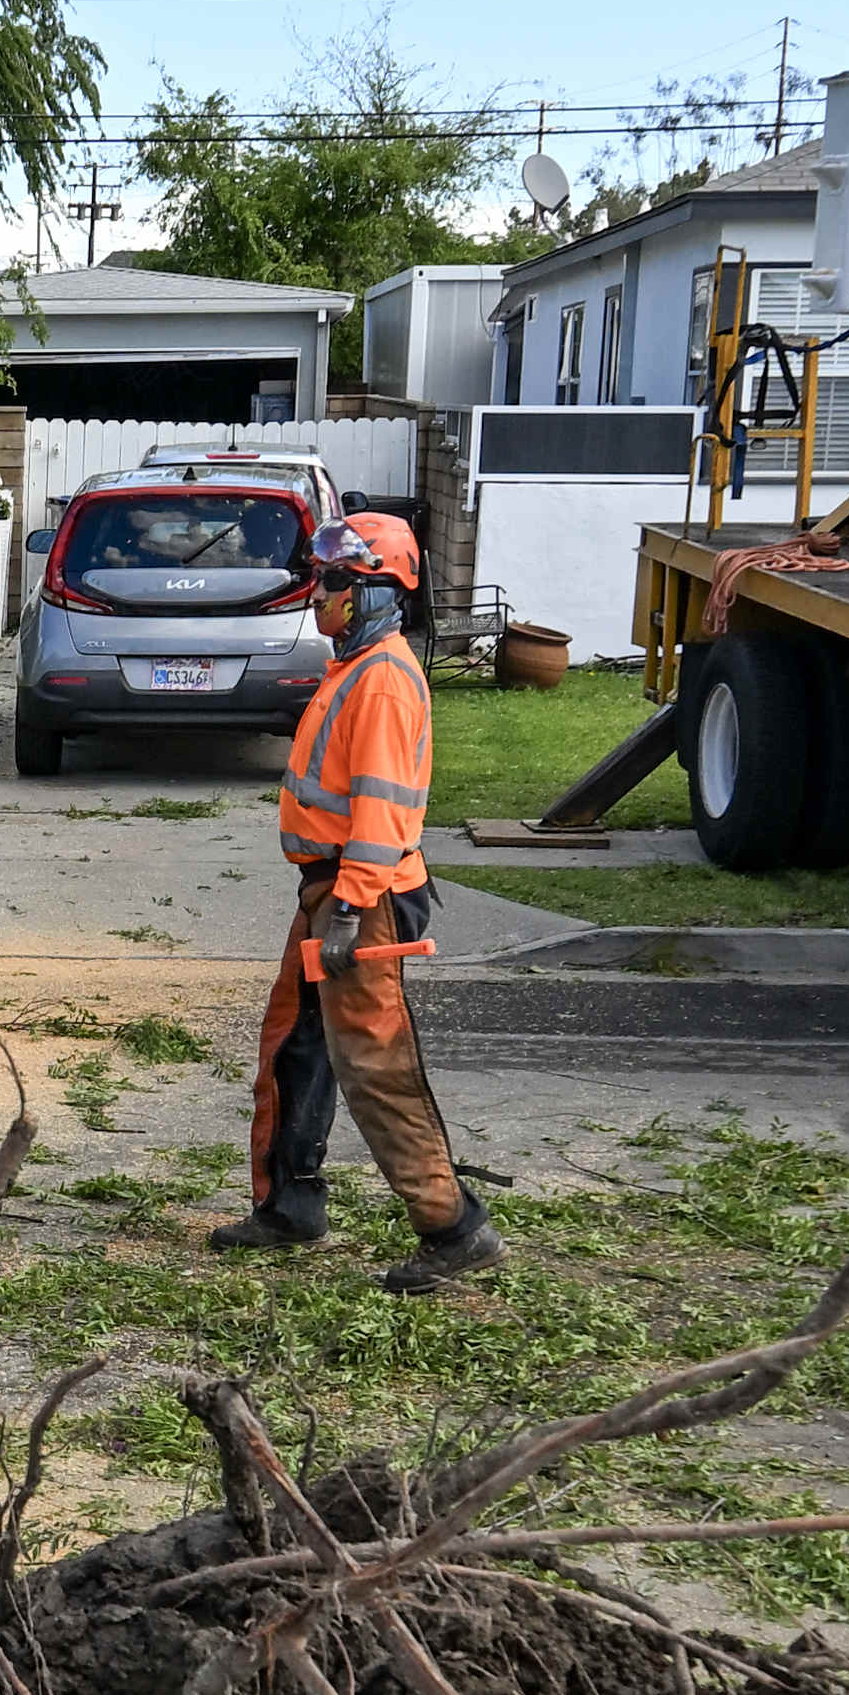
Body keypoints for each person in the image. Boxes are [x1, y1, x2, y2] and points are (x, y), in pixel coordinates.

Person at [211, 513, 501, 1290]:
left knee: (375, 1063)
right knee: (298, 1044)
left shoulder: (381, 682)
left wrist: (349, 904)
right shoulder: (357, 667)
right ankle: (290, 1206)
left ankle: (451, 1225)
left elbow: (381, 811)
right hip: (333, 891)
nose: (320, 595)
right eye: (321, 579)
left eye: (336, 581)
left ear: (378, 590)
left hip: (359, 896)